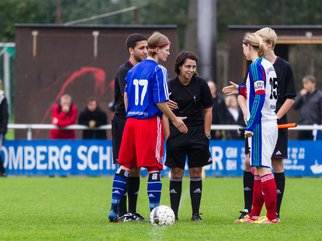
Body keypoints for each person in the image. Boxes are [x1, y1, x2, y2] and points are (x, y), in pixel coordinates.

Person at [107, 32, 188, 222]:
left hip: (131, 122)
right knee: (154, 167)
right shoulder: (159, 70)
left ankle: (113, 208)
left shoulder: (133, 70)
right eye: (167, 50)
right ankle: (155, 213)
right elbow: (160, 102)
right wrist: (175, 119)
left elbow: (127, 97)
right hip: (148, 123)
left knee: (124, 166)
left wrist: (132, 114)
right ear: (157, 49)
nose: (168, 54)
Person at [223, 32, 279, 224]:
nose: (243, 50)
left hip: (261, 123)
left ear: (248, 46)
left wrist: (251, 123)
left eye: (243, 46)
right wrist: (240, 89)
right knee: (256, 169)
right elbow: (259, 91)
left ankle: (271, 217)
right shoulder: (267, 65)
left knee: (263, 168)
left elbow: (260, 96)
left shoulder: (255, 66)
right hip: (268, 121)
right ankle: (254, 215)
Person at [163, 51, 213, 221]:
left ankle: (195, 214)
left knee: (196, 171)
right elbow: (162, 111)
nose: (191, 70)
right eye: (188, 66)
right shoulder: (169, 85)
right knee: (176, 171)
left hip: (197, 133)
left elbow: (208, 109)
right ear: (179, 67)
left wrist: (206, 133)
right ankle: (174, 214)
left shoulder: (201, 85)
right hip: (176, 133)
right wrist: (168, 135)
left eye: (194, 67)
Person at [110, 33, 148, 222]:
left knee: (136, 168)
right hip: (124, 121)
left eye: (146, 47)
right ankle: (120, 211)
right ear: (131, 50)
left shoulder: (145, 70)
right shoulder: (124, 71)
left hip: (137, 122)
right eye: (141, 48)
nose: (145, 51)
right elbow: (128, 100)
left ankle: (132, 211)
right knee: (124, 166)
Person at [293, 75, 322, 140]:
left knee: (315, 148)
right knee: (302, 146)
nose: (304, 85)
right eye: (304, 83)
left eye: (306, 83)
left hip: (315, 127)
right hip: (303, 126)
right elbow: (294, 106)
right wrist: (300, 95)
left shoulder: (320, 95)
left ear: (313, 84)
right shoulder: (302, 94)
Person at [0, 90, 9, 177]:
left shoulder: (2, 98)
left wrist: (3, 129)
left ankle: (2, 171)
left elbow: (5, 115)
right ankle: (2, 171)